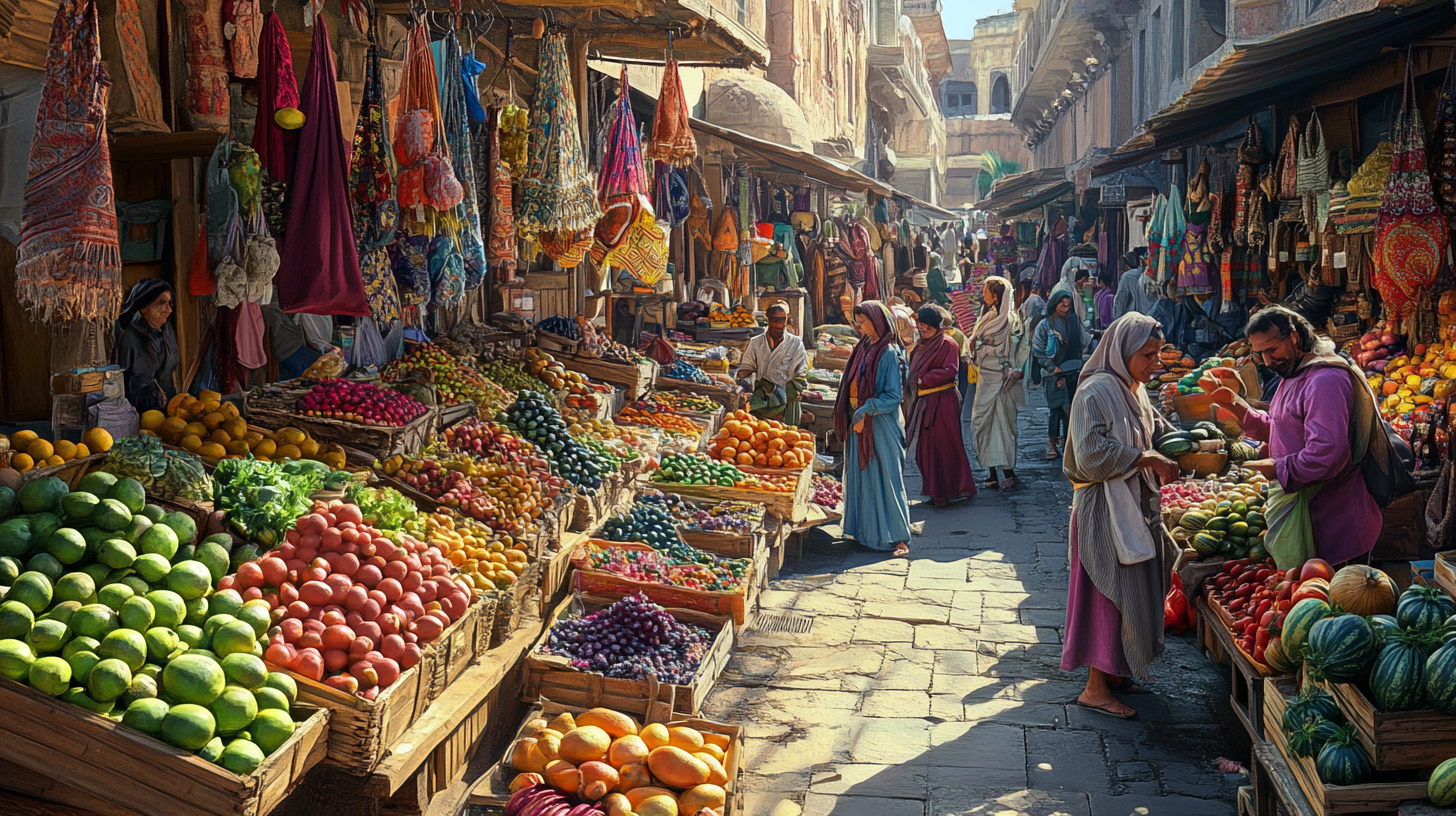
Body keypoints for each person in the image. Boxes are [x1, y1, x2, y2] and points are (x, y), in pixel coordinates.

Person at [1061, 312, 1182, 719]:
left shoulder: (1133, 389)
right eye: (1147, 355)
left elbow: (1154, 430)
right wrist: (1144, 456)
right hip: (1102, 511)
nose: (1155, 363)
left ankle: (1116, 672)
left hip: (1134, 506)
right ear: (1123, 351)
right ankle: (1094, 688)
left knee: (1129, 590)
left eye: (1158, 353)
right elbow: (1090, 454)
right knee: (1105, 595)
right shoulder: (1093, 392)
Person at [1208, 306, 1382, 565]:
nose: (1267, 362)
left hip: (1337, 525)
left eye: (1271, 350)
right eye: (1260, 354)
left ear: (1293, 337)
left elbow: (1328, 451)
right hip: (1310, 517)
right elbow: (1281, 428)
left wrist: (1277, 468)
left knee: (1342, 601)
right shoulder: (1292, 376)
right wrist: (1236, 405)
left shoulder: (1324, 380)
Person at [833, 301, 914, 557]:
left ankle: (898, 537)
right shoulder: (862, 347)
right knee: (863, 477)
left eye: (864, 321)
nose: (860, 326)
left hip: (880, 424)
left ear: (877, 321)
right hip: (860, 420)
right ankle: (866, 533)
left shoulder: (889, 353)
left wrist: (866, 409)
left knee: (887, 479)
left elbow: (893, 396)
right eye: (858, 321)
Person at [905, 305, 978, 506]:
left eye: (926, 328)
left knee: (945, 447)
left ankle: (950, 491)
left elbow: (950, 371)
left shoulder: (948, 344)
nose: (922, 331)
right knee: (925, 449)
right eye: (920, 327)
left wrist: (923, 379)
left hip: (943, 401)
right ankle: (935, 491)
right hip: (925, 401)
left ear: (937, 328)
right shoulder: (921, 344)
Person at [969, 277, 1031, 490]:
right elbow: (977, 344)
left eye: (986, 291)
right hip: (986, 379)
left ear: (996, 296)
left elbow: (1020, 347)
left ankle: (1007, 472)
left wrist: (1016, 370)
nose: (983, 294)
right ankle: (992, 472)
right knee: (982, 425)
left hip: (1002, 382)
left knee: (1003, 427)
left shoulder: (1008, 320)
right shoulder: (988, 317)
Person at [1034, 290, 1088, 460]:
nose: (1065, 308)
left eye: (1068, 305)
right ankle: (1051, 444)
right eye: (1062, 304)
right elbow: (1038, 350)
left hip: (1073, 371)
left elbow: (1084, 343)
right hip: (1054, 374)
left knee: (1070, 411)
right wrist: (1052, 368)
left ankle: (1067, 444)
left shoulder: (1074, 322)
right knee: (1055, 409)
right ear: (1054, 304)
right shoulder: (1044, 325)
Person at [113, 279, 180, 414]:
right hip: (142, 413)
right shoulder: (130, 338)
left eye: (169, 303)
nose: (169, 309)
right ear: (145, 307)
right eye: (162, 303)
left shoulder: (166, 330)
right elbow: (134, 383)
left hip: (172, 409)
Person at [738, 304, 810, 426]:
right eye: (774, 320)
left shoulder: (796, 343)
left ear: (786, 320)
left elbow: (800, 373)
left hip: (788, 401)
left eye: (781, 321)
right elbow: (746, 366)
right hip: (761, 401)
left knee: (788, 438)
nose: (778, 325)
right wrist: (742, 375)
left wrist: (783, 392)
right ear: (768, 319)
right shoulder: (756, 342)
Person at [1113, 251, 1153, 319]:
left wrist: (1118, 321)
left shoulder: (1127, 276)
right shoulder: (1152, 276)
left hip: (1134, 320)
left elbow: (1120, 301)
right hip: (1152, 318)